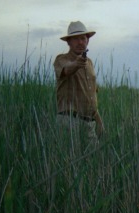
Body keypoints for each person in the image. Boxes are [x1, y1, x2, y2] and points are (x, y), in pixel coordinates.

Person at [54, 21, 104, 154]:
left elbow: (92, 93)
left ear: (87, 41)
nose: (80, 42)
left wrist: (98, 120)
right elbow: (67, 70)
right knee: (70, 162)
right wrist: (77, 63)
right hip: (69, 121)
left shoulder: (90, 63)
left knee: (95, 159)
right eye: (76, 39)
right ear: (68, 42)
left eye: (83, 38)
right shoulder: (61, 59)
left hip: (89, 123)